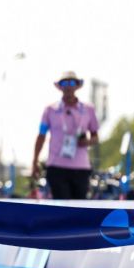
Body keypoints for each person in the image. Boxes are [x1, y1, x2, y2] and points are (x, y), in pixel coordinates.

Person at [32, 71, 99, 199]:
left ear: (77, 86)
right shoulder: (50, 110)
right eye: (65, 82)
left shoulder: (88, 109)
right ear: (60, 86)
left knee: (79, 210)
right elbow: (41, 135)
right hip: (56, 167)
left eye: (72, 82)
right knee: (62, 206)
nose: (68, 86)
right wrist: (34, 161)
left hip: (81, 168)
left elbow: (95, 136)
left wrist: (87, 142)